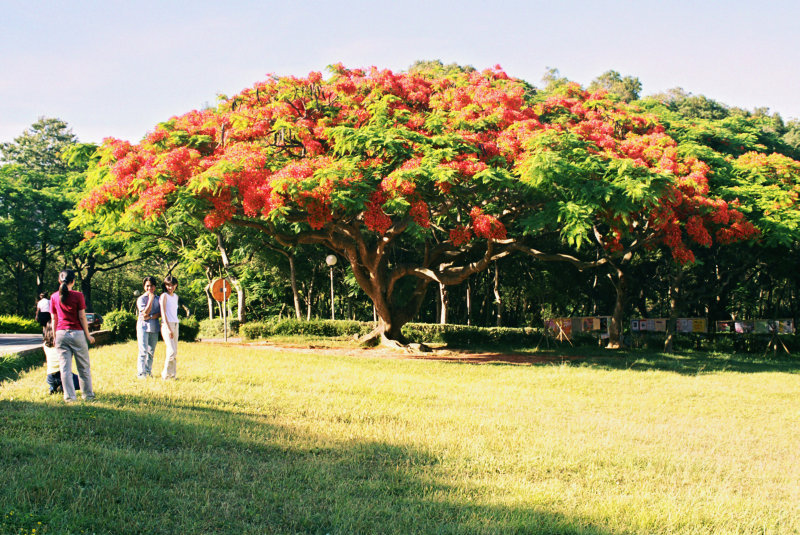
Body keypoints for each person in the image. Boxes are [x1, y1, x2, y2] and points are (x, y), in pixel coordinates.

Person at [50, 269, 95, 403]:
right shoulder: (78, 295)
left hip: (60, 334)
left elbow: (54, 319)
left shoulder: (53, 297)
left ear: (59, 281)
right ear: (73, 281)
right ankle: (88, 395)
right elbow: (82, 317)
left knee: (65, 368)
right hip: (77, 333)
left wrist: (54, 337)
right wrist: (88, 336)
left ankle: (69, 397)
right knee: (83, 367)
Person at [43, 320, 79, 395]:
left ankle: (53, 387)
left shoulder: (44, 345)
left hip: (50, 377)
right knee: (81, 381)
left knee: (54, 380)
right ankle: (63, 387)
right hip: (62, 374)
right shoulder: (63, 344)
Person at [136, 276, 161, 378]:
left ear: (155, 287)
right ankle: (141, 373)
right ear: (144, 287)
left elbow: (160, 314)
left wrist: (150, 316)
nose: (149, 288)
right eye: (147, 286)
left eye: (151, 286)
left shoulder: (159, 299)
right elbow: (144, 312)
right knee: (143, 351)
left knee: (151, 352)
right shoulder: (141, 299)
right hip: (143, 327)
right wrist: (150, 299)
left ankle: (148, 371)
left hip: (154, 327)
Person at [159, 275, 180, 380]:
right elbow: (163, 313)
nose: (170, 287)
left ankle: (172, 375)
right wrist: (168, 328)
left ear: (175, 285)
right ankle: (165, 375)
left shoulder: (176, 297)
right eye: (167, 285)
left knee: (174, 351)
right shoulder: (164, 296)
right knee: (171, 351)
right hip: (167, 325)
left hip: (176, 324)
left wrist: (174, 328)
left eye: (172, 285)